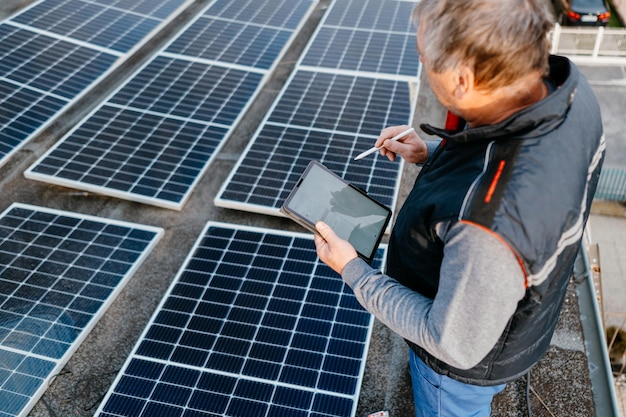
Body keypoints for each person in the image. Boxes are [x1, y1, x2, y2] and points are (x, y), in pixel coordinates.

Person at [313, 0, 606, 416]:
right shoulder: (568, 95)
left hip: (456, 372)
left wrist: (352, 270)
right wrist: (430, 153)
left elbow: (451, 342)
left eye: (423, 59)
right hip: (515, 320)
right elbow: (494, 159)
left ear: (463, 79)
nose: (422, 66)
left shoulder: (490, 227)